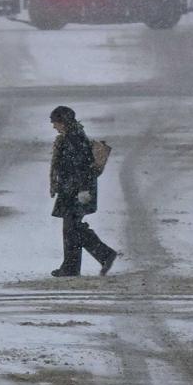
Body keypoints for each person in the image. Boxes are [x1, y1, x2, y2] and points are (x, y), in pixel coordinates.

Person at [49, 105, 117, 277]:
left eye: (55, 122)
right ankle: (72, 267)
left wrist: (82, 190)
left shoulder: (74, 139)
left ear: (63, 122)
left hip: (76, 191)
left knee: (73, 228)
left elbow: (81, 168)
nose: (53, 126)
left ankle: (104, 255)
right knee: (71, 228)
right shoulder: (73, 136)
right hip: (72, 190)